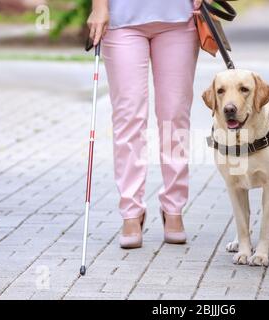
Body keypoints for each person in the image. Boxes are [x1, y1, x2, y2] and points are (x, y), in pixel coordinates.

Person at [87, 0, 205, 248]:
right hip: (121, 20)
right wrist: (99, 6)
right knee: (128, 117)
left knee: (175, 116)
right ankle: (131, 211)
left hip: (179, 18)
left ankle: (173, 208)